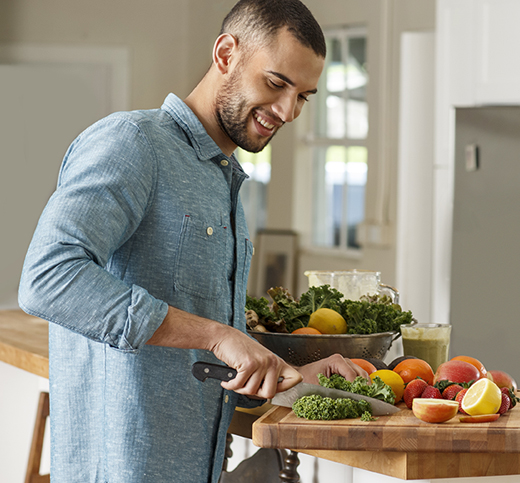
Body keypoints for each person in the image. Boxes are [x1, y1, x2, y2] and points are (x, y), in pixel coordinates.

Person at [18, 1, 367, 481]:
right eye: (276, 83)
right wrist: (218, 335)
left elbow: (195, 360)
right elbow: (47, 278)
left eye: (303, 95)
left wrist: (287, 375)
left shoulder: (222, 182)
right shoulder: (133, 144)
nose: (288, 111)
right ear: (226, 54)